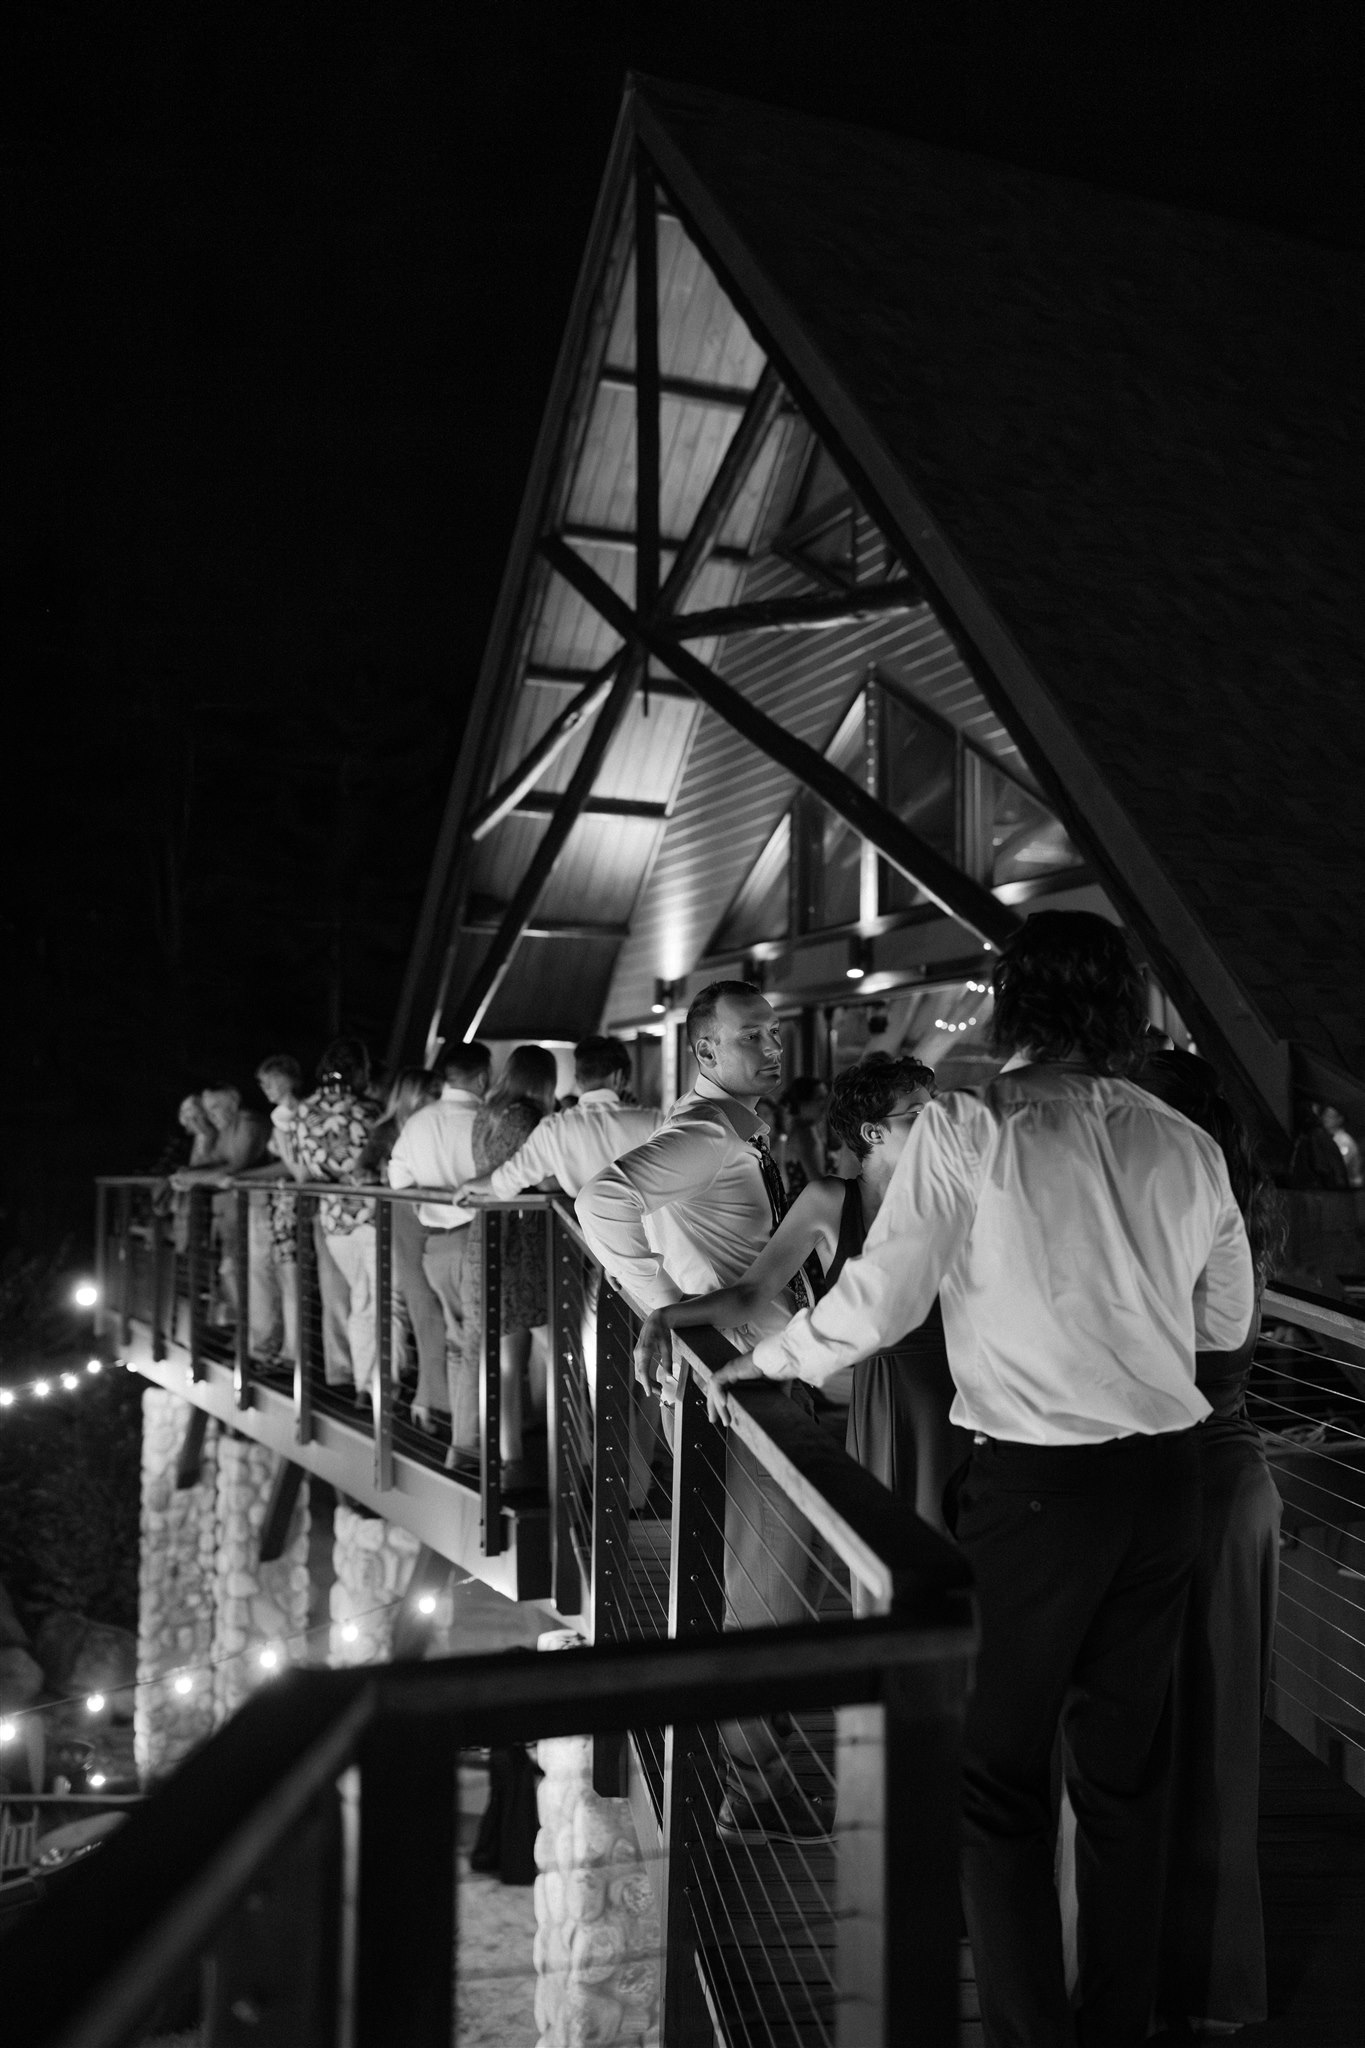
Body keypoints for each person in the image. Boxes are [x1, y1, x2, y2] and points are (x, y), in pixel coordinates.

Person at [708, 912, 1256, 2048]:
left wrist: (770, 1361)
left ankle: (1029, 2033)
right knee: (1123, 1779)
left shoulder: (970, 1125)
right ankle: (1114, 2028)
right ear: (1123, 1009)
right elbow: (1225, 1325)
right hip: (1164, 1485)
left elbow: (881, 1299)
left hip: (1038, 1489)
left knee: (992, 1776)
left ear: (1015, 1004)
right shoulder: (1182, 1141)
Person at [578, 980, 838, 1842]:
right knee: (766, 1585)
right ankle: (753, 1789)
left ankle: (759, 1776)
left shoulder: (727, 1127)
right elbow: (600, 1200)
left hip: (742, 1364)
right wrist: (663, 1304)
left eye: (774, 1034)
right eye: (750, 1036)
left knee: (769, 1577)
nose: (772, 1049)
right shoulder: (707, 1131)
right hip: (734, 1375)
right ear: (703, 1050)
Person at [635, 1051, 967, 1537]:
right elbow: (752, 1292)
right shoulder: (830, 1200)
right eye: (918, 1112)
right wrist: (666, 1315)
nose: (937, 1121)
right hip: (893, 1395)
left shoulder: (956, 1191)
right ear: (873, 1132)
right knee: (897, 1539)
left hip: (971, 1379)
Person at [1136, 1049, 1283, 2037]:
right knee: (1204, 1738)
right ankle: (1191, 1979)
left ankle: (1182, 1980)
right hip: (1217, 1481)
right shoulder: (1229, 1204)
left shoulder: (1180, 1213)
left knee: (1173, 1736)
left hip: (1193, 1484)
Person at [387, 1041, 491, 1470]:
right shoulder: (485, 1120)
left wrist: (430, 1201)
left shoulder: (418, 1122)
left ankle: (464, 1438)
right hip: (478, 1241)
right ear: (483, 1077)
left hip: (435, 1244)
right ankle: (467, 1446)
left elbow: (398, 1180)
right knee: (477, 1343)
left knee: (457, 1342)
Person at [461, 1046, 559, 1484]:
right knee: (556, 1346)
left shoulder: (487, 1113)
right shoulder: (528, 1117)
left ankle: (511, 1457)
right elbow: (539, 1175)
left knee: (505, 1354)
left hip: (488, 1230)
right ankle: (566, 1451)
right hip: (523, 1234)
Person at [462, 1036, 663, 1204]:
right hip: (646, 1232)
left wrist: (468, 1186)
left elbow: (508, 1179)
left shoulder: (553, 1128)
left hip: (580, 1233)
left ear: (578, 1080)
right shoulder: (655, 1122)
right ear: (618, 1077)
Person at [291, 1037, 381, 1396]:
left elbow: (302, 1170)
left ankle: (364, 1381)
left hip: (332, 1219)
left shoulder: (303, 1113)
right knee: (373, 1301)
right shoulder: (368, 1111)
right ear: (358, 1070)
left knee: (360, 1299)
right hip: (371, 1215)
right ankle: (372, 1384)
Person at [359, 1068, 444, 1425]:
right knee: (418, 1304)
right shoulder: (388, 1130)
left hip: (435, 1216)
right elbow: (362, 1169)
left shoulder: (434, 1123)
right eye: (431, 1092)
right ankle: (423, 1396)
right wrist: (382, 1179)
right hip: (405, 1219)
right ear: (413, 1095)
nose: (437, 1097)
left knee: (435, 1306)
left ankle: (431, 1396)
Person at [170, 1084, 270, 1328]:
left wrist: (192, 1178)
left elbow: (234, 1169)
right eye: (207, 1110)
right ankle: (244, 1333)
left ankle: (256, 1335)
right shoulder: (222, 1130)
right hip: (228, 1214)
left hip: (253, 1210)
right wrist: (200, 1148)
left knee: (247, 1274)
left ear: (234, 1101)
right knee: (229, 1271)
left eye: (215, 1107)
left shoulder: (248, 1123)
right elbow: (211, 1166)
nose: (210, 1115)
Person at [780, 1075, 828, 1196]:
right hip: (807, 1203)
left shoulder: (805, 1129)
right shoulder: (803, 1133)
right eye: (819, 1099)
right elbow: (815, 1180)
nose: (824, 1104)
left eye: (825, 1098)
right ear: (803, 1103)